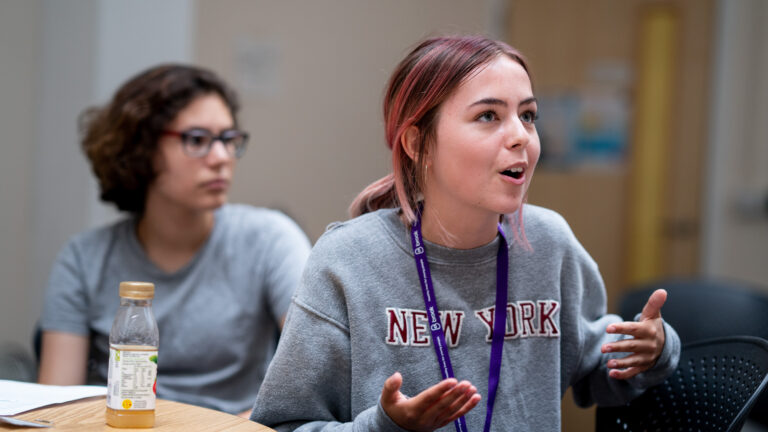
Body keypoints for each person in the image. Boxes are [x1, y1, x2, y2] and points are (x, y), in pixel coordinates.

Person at [250, 35, 680, 431]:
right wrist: (383, 427)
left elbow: (597, 375)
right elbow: (283, 425)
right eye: (489, 116)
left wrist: (653, 351)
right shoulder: (348, 259)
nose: (521, 137)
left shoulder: (550, 242)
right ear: (417, 143)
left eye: (528, 115)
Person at [38, 64, 311, 417]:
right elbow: (52, 411)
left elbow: (310, 383)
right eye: (197, 140)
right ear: (141, 149)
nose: (221, 158)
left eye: (229, 140)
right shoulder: (83, 259)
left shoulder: (270, 240)